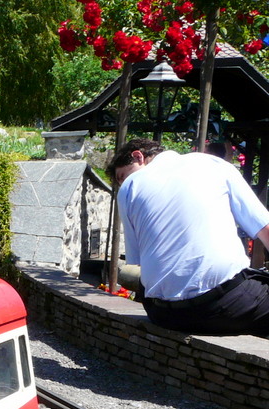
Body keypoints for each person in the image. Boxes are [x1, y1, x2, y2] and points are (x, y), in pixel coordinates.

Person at [110, 137, 269, 335]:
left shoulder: (128, 189)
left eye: (122, 176)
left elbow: (137, 262)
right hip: (225, 305)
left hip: (162, 314)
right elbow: (265, 229)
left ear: (138, 156)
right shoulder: (213, 165)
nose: (123, 181)